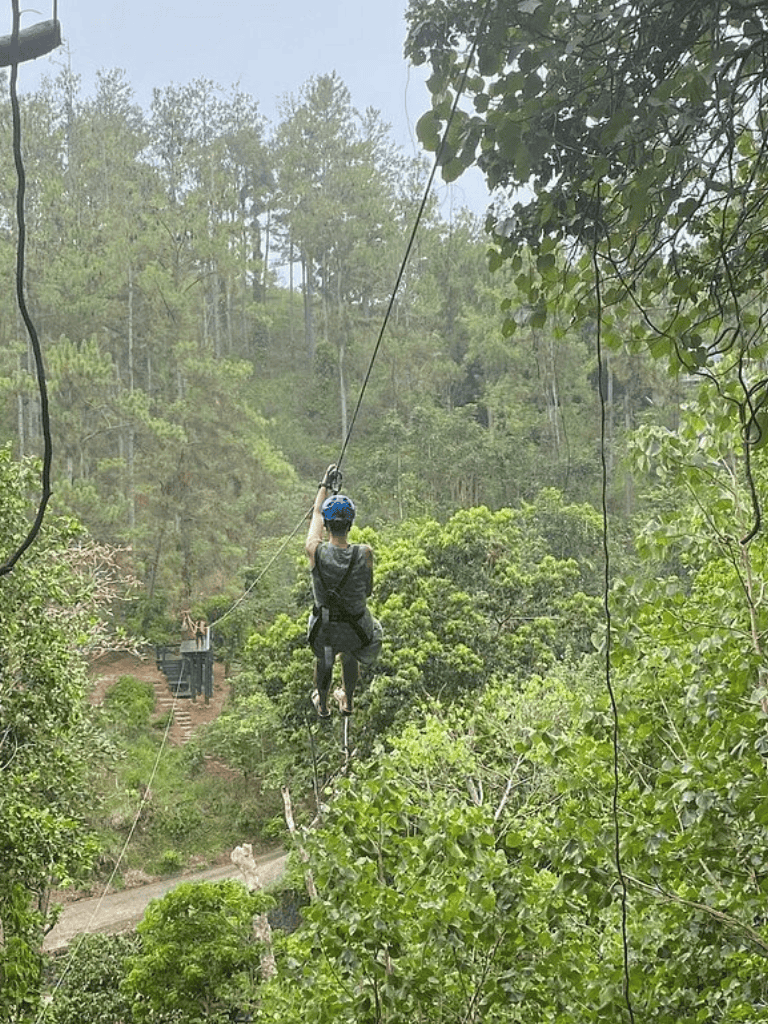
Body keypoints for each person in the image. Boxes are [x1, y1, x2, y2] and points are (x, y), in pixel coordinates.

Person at [305, 464, 382, 718]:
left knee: (325, 656)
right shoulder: (365, 553)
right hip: (356, 630)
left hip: (323, 630)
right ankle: (347, 700)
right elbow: (368, 591)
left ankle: (324, 705)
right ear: (350, 524)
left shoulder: (315, 552)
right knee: (350, 653)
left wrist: (324, 485)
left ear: (327, 525)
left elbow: (316, 513)